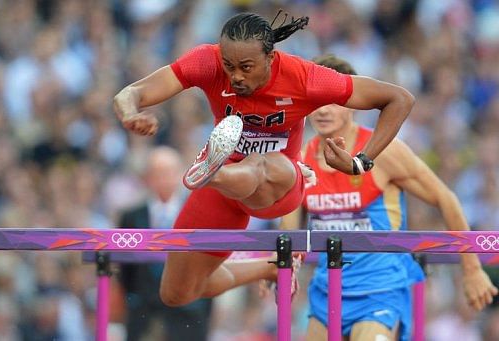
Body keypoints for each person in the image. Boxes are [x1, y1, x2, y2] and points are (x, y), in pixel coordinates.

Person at [113, 11, 415, 308]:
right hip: (227, 189)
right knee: (177, 292)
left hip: (279, 184)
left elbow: (399, 98)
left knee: (261, 163)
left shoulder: (305, 77)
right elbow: (131, 92)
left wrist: (361, 162)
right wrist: (129, 112)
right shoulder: (206, 61)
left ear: (270, 58)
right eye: (229, 66)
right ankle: (265, 265)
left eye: (246, 66)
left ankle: (211, 172)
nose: (236, 76)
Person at [280, 54, 498, 341]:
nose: (323, 111)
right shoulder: (299, 158)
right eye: (315, 102)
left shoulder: (384, 151)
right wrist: (272, 271)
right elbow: (289, 234)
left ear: (352, 104)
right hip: (326, 290)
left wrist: (471, 270)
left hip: (380, 289)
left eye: (333, 101)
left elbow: (446, 198)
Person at [117, 146, 212, 341]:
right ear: (147, 177)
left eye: (169, 172)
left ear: (179, 174)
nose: (164, 179)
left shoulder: (198, 213)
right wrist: (135, 299)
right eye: (158, 173)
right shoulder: (131, 217)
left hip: (189, 309)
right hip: (145, 310)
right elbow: (124, 268)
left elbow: (208, 264)